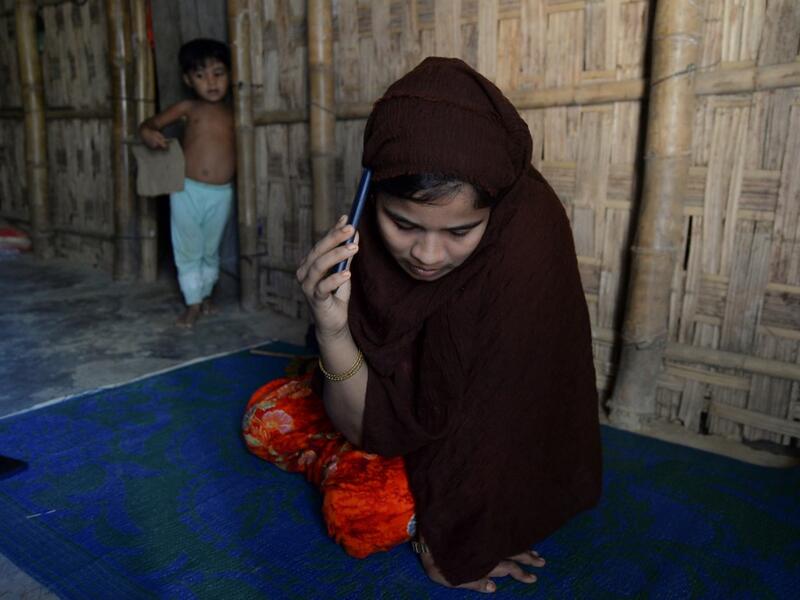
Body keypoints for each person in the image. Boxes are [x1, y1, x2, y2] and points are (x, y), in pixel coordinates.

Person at [242, 57, 602, 592]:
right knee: (262, 420)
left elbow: (506, 411)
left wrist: (458, 537)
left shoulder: (528, 235)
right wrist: (332, 328)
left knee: (369, 514)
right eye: (403, 224)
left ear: (493, 212)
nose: (428, 256)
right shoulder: (361, 237)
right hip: (381, 416)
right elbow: (362, 419)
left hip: (491, 434)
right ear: (374, 194)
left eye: (461, 231)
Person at [139, 38, 235, 328]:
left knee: (210, 249)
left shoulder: (235, 112)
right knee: (188, 249)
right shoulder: (187, 107)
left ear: (230, 75)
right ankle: (193, 303)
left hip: (221, 193)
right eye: (201, 75)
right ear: (187, 79)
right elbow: (149, 124)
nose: (211, 82)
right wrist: (148, 134)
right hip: (187, 190)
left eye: (219, 73)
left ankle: (205, 296)